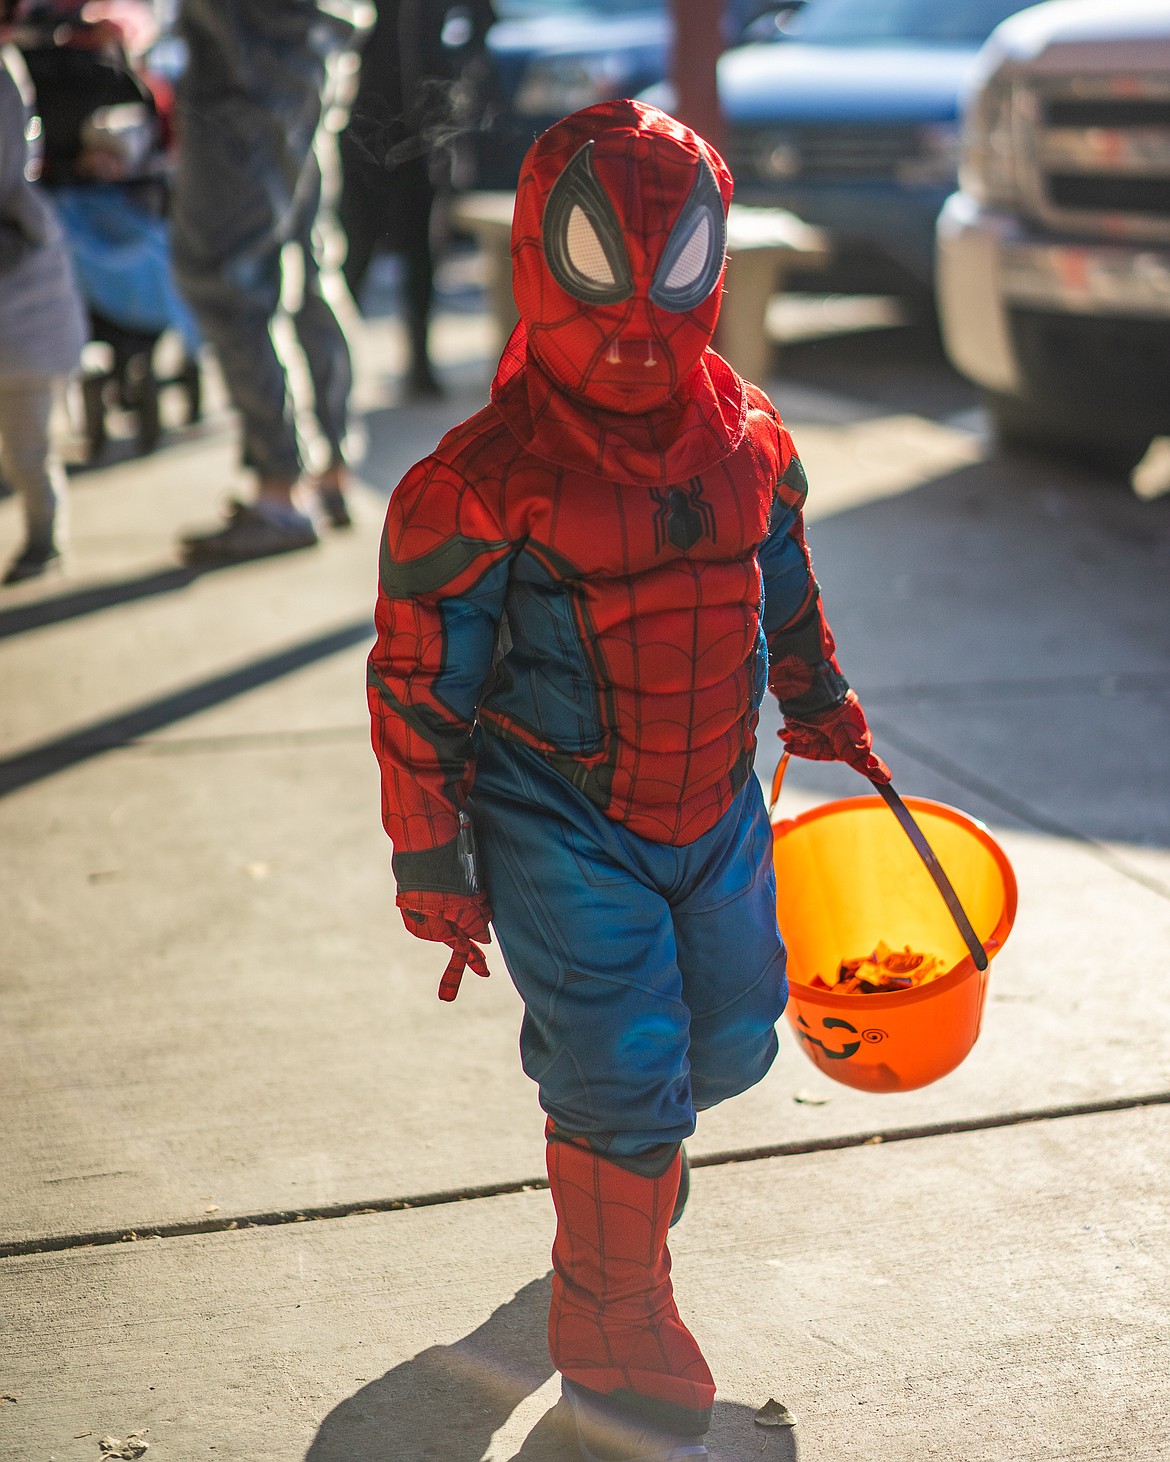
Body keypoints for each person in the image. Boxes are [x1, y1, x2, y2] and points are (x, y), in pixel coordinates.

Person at [367, 100, 890, 1462]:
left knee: (728, 1031)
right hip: (557, 811)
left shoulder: (748, 436)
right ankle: (614, 1318)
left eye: (671, 264)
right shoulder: (476, 486)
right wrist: (432, 853)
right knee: (622, 1061)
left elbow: (777, 582)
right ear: (549, 257)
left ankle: (612, 1184)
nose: (637, 312)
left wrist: (816, 697)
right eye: (604, 261)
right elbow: (419, 677)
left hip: (710, 801)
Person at [171, 0, 372, 568]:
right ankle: (327, 469)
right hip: (306, 46)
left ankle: (282, 493)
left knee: (228, 277)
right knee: (305, 268)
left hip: (249, 59)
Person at [338, 0, 494, 398]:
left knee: (423, 251)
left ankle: (419, 363)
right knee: (355, 248)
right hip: (364, 123)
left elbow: (482, 18)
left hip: (427, 130)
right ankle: (334, 367)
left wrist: (456, 72)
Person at [0, 25, 87, 585]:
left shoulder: (23, 219)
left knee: (28, 450)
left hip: (22, 337)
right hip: (25, 337)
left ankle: (44, 538)